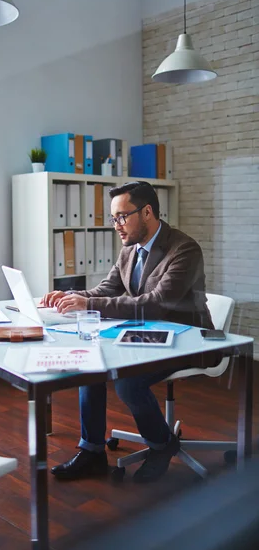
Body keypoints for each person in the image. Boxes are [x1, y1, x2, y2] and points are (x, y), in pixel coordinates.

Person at [41, 180, 214, 483]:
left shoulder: (184, 249)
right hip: (146, 334)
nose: (116, 226)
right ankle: (92, 451)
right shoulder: (129, 249)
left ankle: (162, 444)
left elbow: (156, 304)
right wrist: (69, 297)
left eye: (122, 216)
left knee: (128, 382)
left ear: (147, 212)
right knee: (91, 361)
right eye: (113, 218)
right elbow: (105, 291)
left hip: (187, 338)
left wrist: (89, 302)